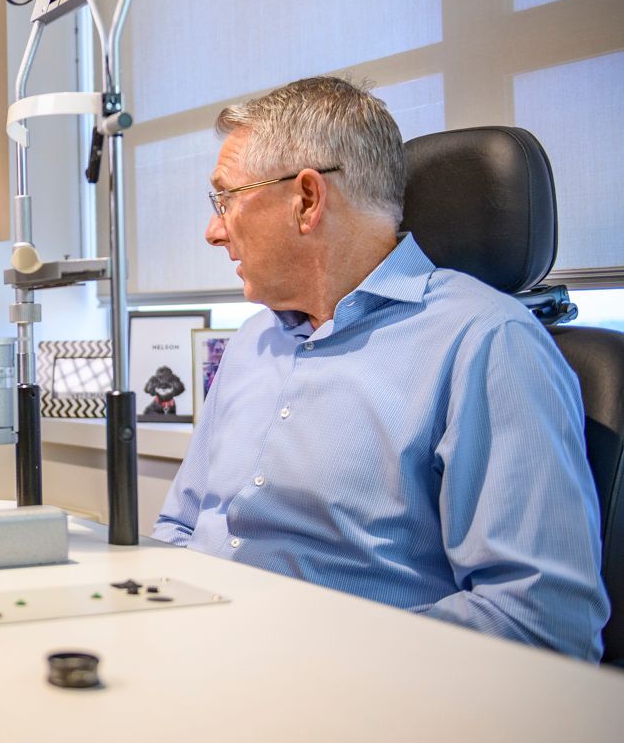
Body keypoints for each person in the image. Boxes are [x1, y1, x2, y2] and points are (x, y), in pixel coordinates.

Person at [154, 76, 608, 661]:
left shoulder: (486, 343)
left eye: (226, 198)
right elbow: (181, 528)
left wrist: (307, 654)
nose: (213, 230)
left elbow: (540, 622)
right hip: (197, 660)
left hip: (351, 697)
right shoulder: (251, 344)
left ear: (308, 199)